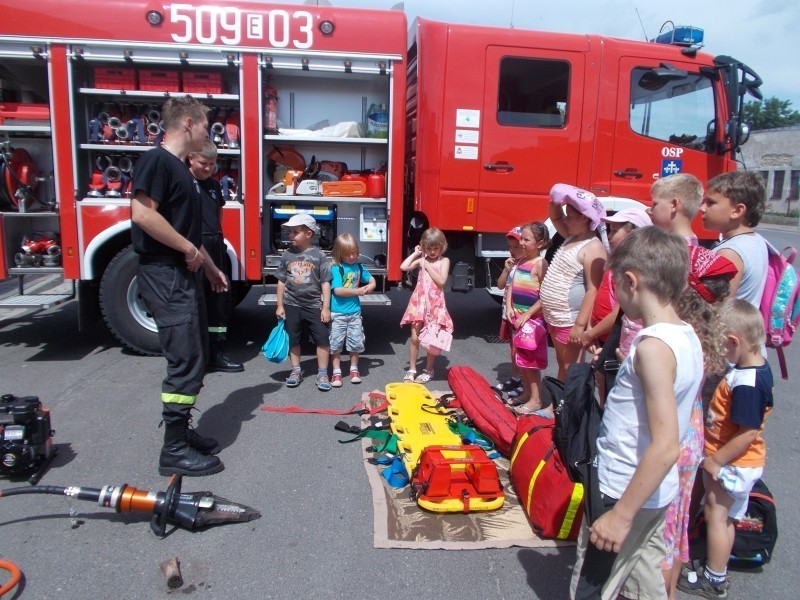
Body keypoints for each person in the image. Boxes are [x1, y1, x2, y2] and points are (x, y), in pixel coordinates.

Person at [570, 226, 703, 600]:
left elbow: (664, 447)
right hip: (657, 493)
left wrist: (619, 516)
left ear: (631, 281)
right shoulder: (685, 336)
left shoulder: (652, 348)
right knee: (644, 575)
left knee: (594, 587)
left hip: (623, 490)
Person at [620, 246, 736, 600]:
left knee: (658, 536)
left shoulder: (673, 337)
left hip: (670, 440)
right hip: (690, 434)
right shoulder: (703, 332)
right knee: (673, 532)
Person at [131, 96, 227, 477]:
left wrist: (208, 267)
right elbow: (142, 214)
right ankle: (173, 450)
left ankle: (182, 434)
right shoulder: (158, 162)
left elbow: (184, 228)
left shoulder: (178, 169)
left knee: (196, 353)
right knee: (184, 359)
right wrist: (189, 250)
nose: (208, 130)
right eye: (205, 124)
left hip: (183, 273)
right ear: (188, 123)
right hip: (165, 274)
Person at [678, 299, 774, 599]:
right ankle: (715, 570)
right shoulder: (756, 366)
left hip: (732, 462)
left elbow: (747, 434)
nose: (722, 353)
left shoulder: (746, 383)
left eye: (723, 346)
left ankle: (714, 578)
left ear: (734, 341)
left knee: (717, 516)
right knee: (727, 516)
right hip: (740, 462)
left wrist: (715, 461)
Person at [540, 184, 608, 381]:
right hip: (556, 316)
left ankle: (565, 406)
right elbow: (555, 216)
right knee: (562, 364)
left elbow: (593, 290)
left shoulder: (593, 247)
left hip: (570, 319)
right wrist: (556, 200)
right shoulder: (571, 236)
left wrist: (579, 326)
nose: (565, 219)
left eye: (570, 215)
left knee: (571, 368)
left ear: (585, 218)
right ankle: (561, 403)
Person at [188, 140, 243, 373]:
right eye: (203, 163)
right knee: (194, 302)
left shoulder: (212, 185)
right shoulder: (184, 182)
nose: (208, 168)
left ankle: (216, 353)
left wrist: (217, 238)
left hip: (214, 242)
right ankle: (195, 357)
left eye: (212, 164)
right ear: (190, 158)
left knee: (218, 299)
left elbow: (218, 211)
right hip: (193, 244)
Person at [275, 214, 333, 391]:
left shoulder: (319, 256)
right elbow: (281, 281)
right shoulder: (286, 255)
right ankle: (296, 370)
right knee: (294, 338)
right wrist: (279, 305)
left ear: (309, 234)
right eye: (290, 232)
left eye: (295, 232)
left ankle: (323, 373)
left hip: (314, 305)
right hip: (292, 304)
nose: (290, 235)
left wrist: (326, 308)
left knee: (322, 339)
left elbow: (325, 282)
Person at [581, 207, 652, 350]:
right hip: (599, 336)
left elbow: (620, 311)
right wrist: (590, 328)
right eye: (609, 230)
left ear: (634, 234)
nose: (608, 236)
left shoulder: (633, 269)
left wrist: (590, 334)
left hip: (616, 341)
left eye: (614, 231)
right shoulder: (615, 261)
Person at [700, 172, 768, 307]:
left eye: (711, 202)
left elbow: (717, 308)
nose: (702, 208)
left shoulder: (729, 253)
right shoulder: (756, 240)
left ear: (737, 210)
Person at [505, 222, 550, 415]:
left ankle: (536, 398)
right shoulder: (521, 261)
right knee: (521, 358)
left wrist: (528, 313)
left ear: (540, 243)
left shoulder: (541, 264)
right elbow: (511, 287)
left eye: (526, 239)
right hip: (518, 318)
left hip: (532, 320)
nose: (521, 242)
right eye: (521, 238)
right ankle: (526, 393)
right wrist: (508, 306)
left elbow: (545, 295)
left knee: (531, 360)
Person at [400, 228, 453, 383]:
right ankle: (412, 369)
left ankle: (429, 369)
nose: (432, 251)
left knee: (431, 338)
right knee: (414, 337)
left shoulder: (444, 261)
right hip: (419, 302)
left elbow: (442, 281)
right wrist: (416, 253)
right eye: (428, 248)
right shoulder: (421, 259)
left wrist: (428, 266)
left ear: (442, 246)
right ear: (423, 246)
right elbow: (404, 267)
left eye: (435, 248)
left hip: (435, 304)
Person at [328, 233, 375, 387]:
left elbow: (371, 279)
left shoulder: (359, 266)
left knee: (356, 342)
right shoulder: (337, 268)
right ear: (339, 254)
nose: (352, 256)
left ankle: (354, 369)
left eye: (354, 252)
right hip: (338, 313)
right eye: (347, 254)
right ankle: (336, 372)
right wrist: (358, 291)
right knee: (336, 343)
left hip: (354, 312)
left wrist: (372, 285)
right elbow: (338, 291)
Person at [494, 226, 525, 398]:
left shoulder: (528, 265)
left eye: (516, 247)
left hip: (520, 314)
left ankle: (524, 381)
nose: (512, 251)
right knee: (513, 348)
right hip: (508, 313)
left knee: (521, 349)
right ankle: (515, 377)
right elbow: (499, 285)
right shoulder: (512, 264)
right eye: (510, 247)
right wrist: (506, 269)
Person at [648, 173, 704, 246]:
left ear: (674, 205)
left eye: (655, 204)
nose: (650, 210)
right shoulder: (692, 247)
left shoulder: (676, 250)